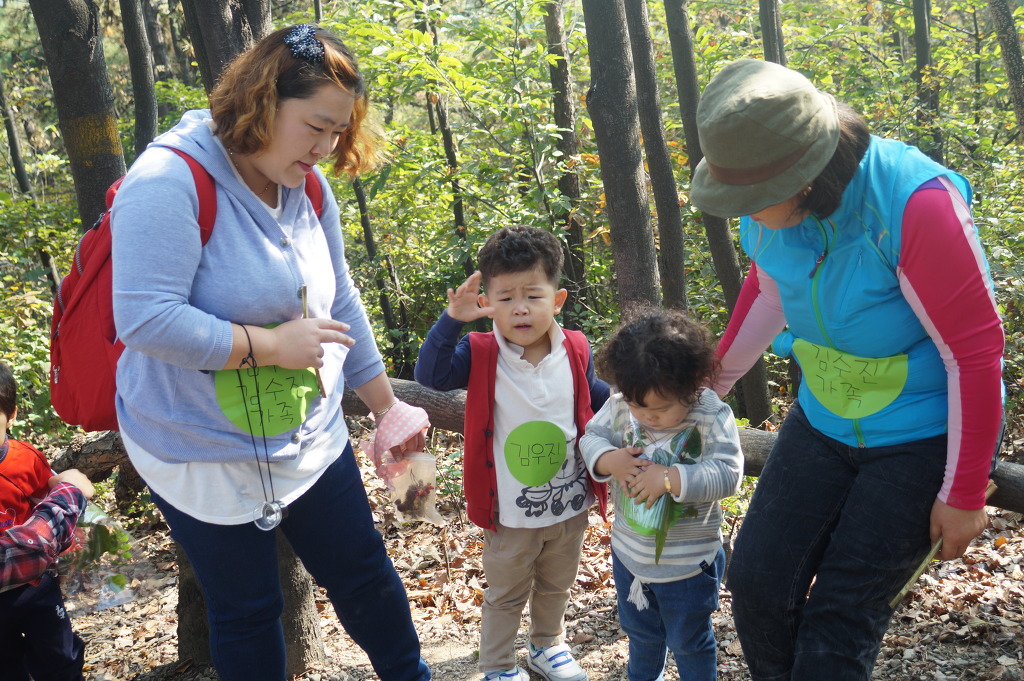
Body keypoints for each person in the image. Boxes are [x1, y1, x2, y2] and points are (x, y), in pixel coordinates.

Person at [110, 24, 430, 681]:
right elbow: (144, 319)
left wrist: (386, 408)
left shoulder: (307, 185)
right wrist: (271, 345)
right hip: (198, 445)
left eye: (339, 130)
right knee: (250, 609)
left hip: (307, 432)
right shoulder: (170, 180)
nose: (328, 146)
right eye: (316, 125)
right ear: (262, 101)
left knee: (363, 570)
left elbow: (338, 298)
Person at [690, 58, 1005, 681]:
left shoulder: (915, 206)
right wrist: (711, 383)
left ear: (804, 178)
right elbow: (770, 290)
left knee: (838, 620)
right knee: (755, 583)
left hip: (922, 431)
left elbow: (974, 353)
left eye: (752, 200)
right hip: (825, 416)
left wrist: (963, 491)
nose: (741, 214)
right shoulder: (773, 213)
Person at [415, 226, 609, 681]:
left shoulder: (576, 348)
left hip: (570, 499)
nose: (520, 308)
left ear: (557, 299)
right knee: (506, 592)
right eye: (504, 297)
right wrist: (453, 320)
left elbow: (597, 397)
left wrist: (643, 406)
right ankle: (499, 665)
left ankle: (547, 646)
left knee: (557, 584)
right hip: (511, 510)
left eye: (532, 295)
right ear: (487, 302)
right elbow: (432, 375)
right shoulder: (481, 352)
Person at [580, 310, 742, 681]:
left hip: (689, 567)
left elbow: (728, 474)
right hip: (629, 559)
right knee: (641, 636)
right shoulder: (622, 405)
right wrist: (610, 459)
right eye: (639, 407)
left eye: (663, 408)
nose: (647, 417)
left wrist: (669, 478)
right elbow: (591, 436)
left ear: (691, 386)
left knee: (689, 641)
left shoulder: (711, 416)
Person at [0, 360, 95, 681]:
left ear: (11, 415)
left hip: (36, 586)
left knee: (58, 657)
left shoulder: (24, 459)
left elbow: (52, 506)